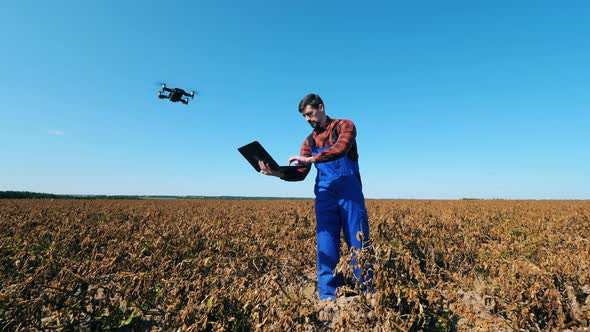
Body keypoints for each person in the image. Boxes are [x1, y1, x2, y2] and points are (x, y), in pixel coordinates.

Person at [259, 93, 373, 300]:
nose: (307, 119)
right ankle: (329, 295)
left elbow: (341, 148)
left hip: (350, 195)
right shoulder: (309, 140)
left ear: (321, 107)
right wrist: (275, 172)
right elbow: (300, 173)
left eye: (309, 114)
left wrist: (312, 158)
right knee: (326, 245)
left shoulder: (344, 125)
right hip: (324, 196)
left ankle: (366, 292)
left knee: (359, 242)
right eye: (303, 116)